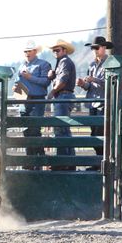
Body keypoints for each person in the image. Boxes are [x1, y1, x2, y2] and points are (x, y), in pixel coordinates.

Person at [12, 40, 51, 167]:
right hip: (24, 100)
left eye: (29, 51)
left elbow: (46, 82)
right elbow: (18, 82)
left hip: (37, 99)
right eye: (25, 51)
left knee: (34, 128)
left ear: (35, 52)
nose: (27, 53)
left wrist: (30, 78)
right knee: (26, 130)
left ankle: (37, 159)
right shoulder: (21, 66)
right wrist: (15, 87)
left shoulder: (44, 64)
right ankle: (31, 159)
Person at [76, 36, 113, 168]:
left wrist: (93, 80)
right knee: (94, 135)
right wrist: (82, 84)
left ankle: (101, 163)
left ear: (103, 48)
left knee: (100, 134)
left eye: (96, 48)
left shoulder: (110, 63)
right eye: (93, 48)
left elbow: (109, 83)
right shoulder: (92, 65)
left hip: (103, 105)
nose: (95, 50)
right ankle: (99, 163)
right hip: (93, 104)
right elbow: (89, 87)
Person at [47, 39, 77, 167]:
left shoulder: (64, 62)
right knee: (64, 129)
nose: (55, 52)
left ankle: (63, 161)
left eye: (57, 50)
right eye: (54, 50)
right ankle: (68, 161)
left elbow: (63, 80)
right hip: (64, 96)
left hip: (63, 96)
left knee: (60, 129)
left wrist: (52, 91)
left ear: (64, 51)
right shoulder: (61, 62)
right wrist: (52, 76)